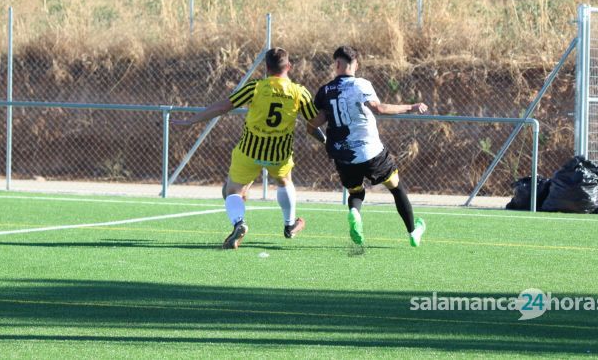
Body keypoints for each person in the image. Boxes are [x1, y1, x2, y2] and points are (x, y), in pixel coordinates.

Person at [172, 47, 322, 249]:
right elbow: (313, 124)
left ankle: (239, 223)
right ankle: (289, 224)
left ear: (266, 68)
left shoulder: (255, 88)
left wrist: (191, 121)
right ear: (289, 66)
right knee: (284, 181)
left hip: (250, 151)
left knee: (231, 190)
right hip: (279, 153)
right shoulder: (299, 93)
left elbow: (222, 107)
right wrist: (328, 141)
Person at [307, 45, 428, 247]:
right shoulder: (361, 85)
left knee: (355, 192)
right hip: (370, 151)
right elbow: (379, 108)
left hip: (343, 156)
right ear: (356, 64)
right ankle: (412, 232)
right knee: (395, 187)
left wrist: (327, 142)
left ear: (336, 64)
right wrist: (411, 106)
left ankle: (355, 212)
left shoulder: (325, 91)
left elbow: (312, 125)